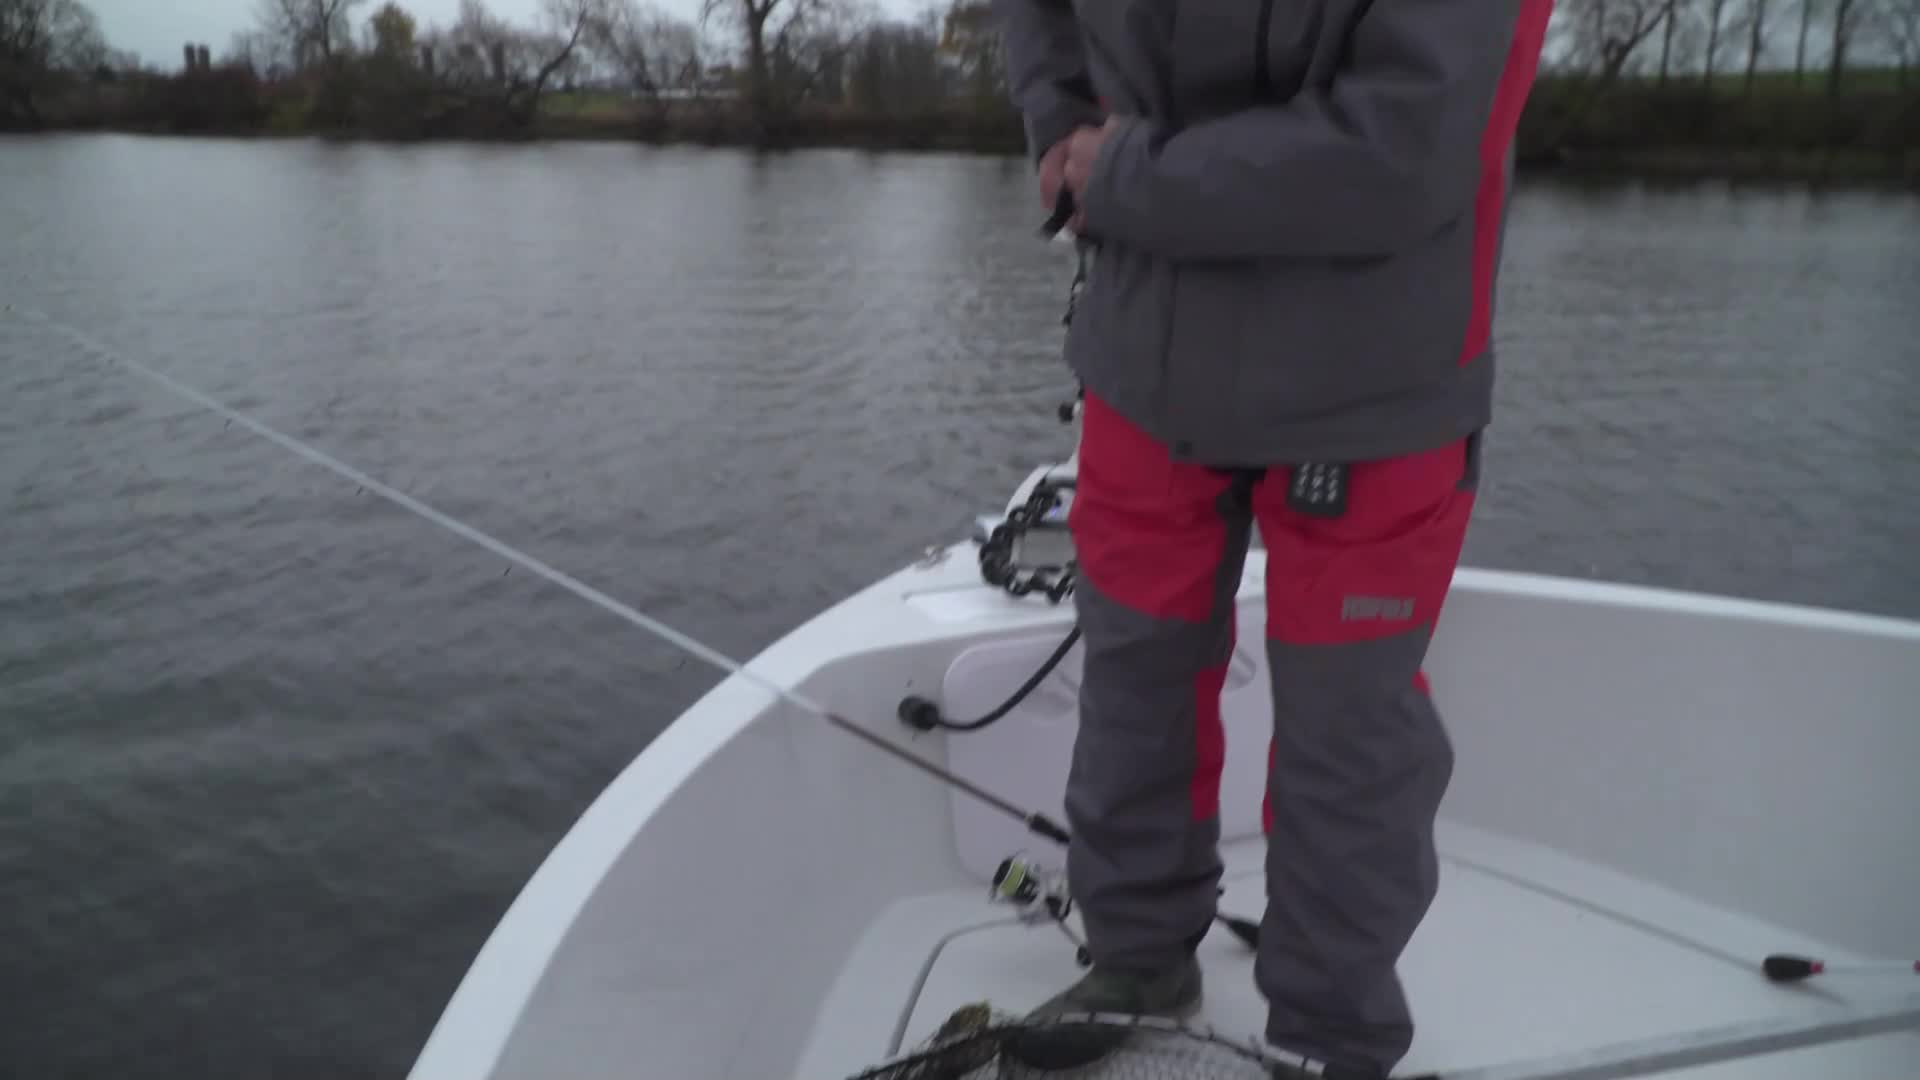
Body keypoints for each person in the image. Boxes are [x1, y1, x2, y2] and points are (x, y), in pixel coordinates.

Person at [988, 1, 1554, 1077]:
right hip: (1145, 354)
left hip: (1377, 382)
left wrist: (1119, 176)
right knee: (1133, 679)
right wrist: (1059, 119)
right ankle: (1138, 959)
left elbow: (1404, 147)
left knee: (1348, 734)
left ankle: (1331, 1038)